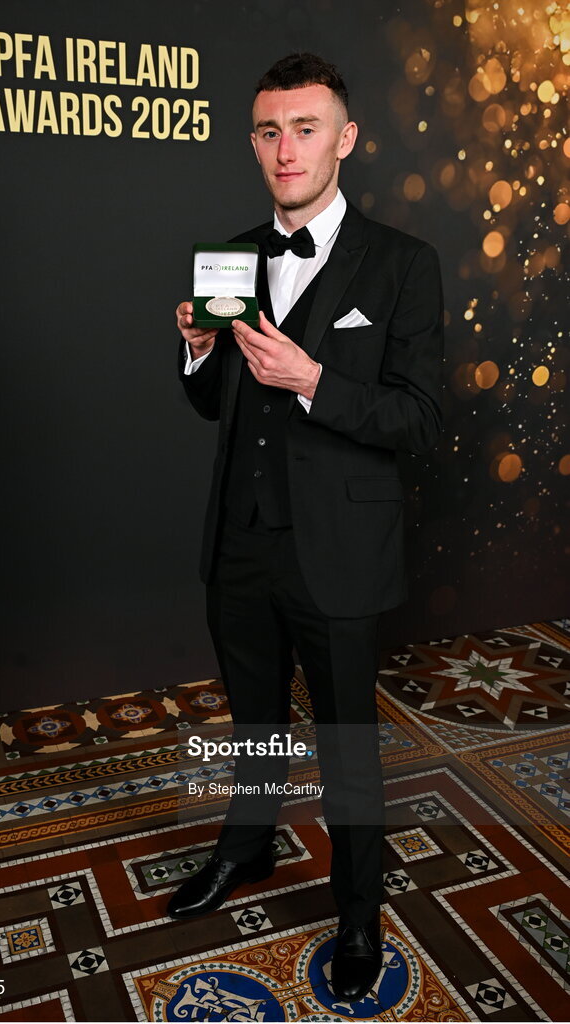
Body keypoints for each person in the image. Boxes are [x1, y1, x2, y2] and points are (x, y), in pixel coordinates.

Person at [168, 52, 444, 1003]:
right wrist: (197, 352)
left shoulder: (403, 263)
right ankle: (242, 848)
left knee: (347, 742)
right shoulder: (233, 252)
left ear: (345, 138)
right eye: (267, 130)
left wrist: (314, 380)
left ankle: (359, 910)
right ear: (252, 142)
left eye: (304, 128)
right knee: (250, 725)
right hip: (240, 540)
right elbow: (214, 408)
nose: (285, 149)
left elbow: (419, 417)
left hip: (340, 550)